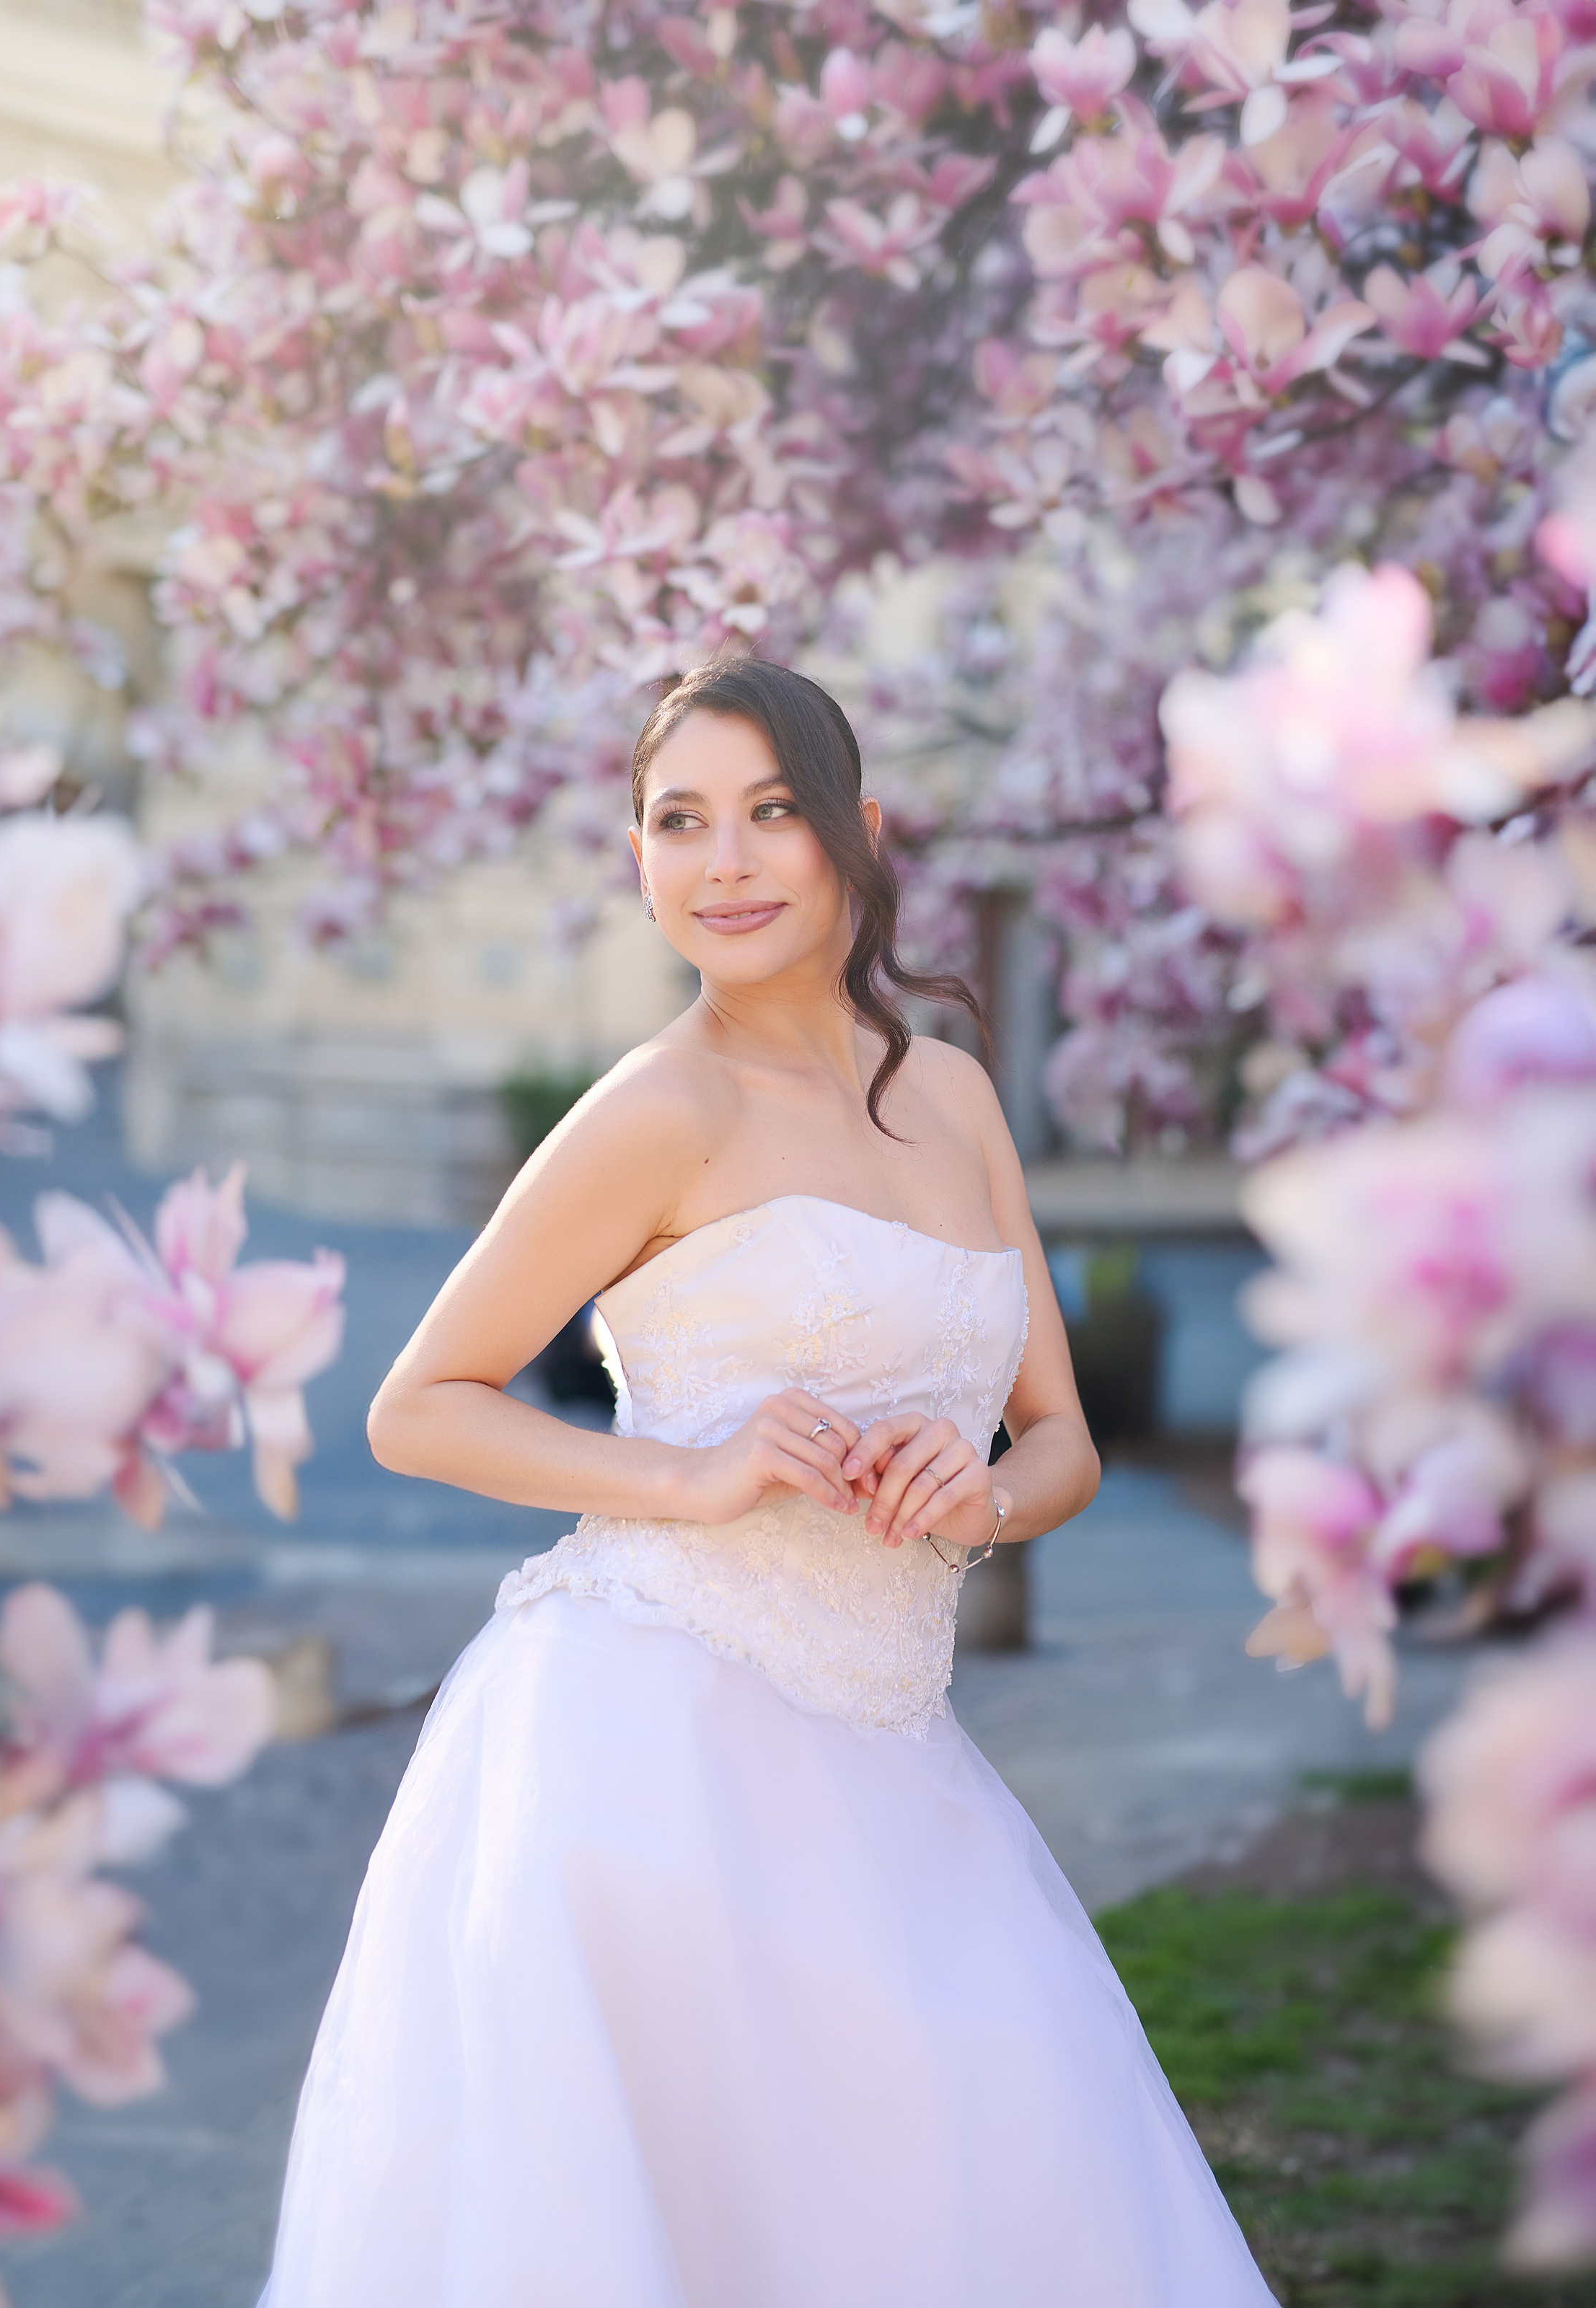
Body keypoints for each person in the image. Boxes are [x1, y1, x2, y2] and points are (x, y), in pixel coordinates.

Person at [255, 659, 1274, 2306]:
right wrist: (693, 1470)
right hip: (647, 1741)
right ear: (638, 860)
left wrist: (984, 1497)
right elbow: (415, 1407)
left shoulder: (949, 1096)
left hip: (894, 1758)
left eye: (768, 813)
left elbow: (1064, 1438)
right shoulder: (658, 1109)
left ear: (856, 835)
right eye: (678, 823)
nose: (722, 861)